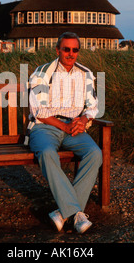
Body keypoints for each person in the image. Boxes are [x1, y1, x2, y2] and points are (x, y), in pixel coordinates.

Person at [26, 32, 102, 234]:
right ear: (58, 50)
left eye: (74, 50)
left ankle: (62, 213)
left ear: (78, 52)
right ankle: (76, 213)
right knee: (47, 153)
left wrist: (84, 120)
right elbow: (38, 111)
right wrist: (64, 126)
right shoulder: (42, 73)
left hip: (74, 126)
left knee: (95, 153)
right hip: (46, 126)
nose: (70, 54)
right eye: (66, 49)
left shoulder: (85, 73)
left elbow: (93, 106)